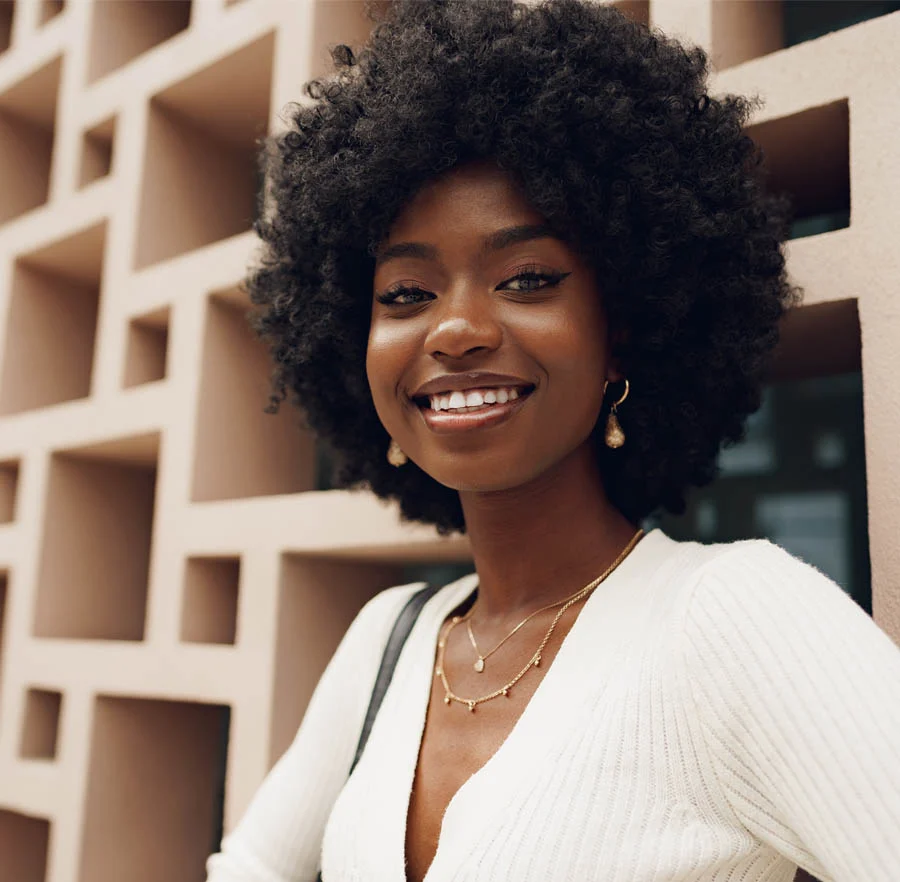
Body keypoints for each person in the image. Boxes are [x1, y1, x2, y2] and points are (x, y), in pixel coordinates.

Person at [205, 1, 900, 880]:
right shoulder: (389, 639)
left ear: (625, 329)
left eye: (527, 278)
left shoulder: (731, 620)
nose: (453, 330)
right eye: (406, 293)